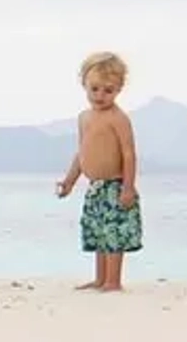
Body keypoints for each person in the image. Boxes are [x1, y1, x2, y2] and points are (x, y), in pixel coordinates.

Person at [56, 51, 143, 292]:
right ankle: (100, 277)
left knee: (114, 233)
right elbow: (81, 153)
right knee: (98, 233)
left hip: (115, 185)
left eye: (108, 90)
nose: (100, 95)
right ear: (84, 84)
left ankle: (113, 280)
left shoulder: (118, 118)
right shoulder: (84, 117)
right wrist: (69, 181)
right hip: (95, 187)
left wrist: (128, 186)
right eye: (94, 89)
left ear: (118, 90)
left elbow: (129, 153)